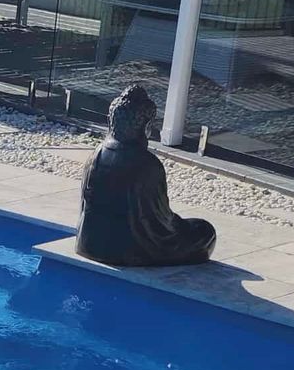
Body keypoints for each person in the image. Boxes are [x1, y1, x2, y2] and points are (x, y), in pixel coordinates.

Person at [76, 84, 217, 268]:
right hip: (132, 249)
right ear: (146, 126)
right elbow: (160, 221)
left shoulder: (96, 155)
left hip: (90, 243)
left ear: (111, 121)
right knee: (205, 231)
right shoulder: (148, 164)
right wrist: (181, 226)